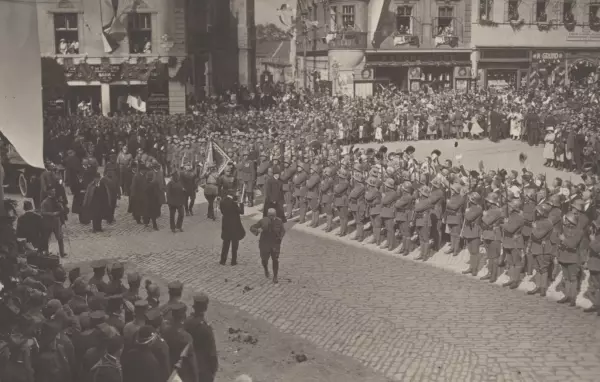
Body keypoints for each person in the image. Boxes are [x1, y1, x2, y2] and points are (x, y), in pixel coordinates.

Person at [185, 292, 218, 382]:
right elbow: (212, 352)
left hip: (189, 364)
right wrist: (214, 368)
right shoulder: (206, 328)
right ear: (205, 308)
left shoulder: (187, 321)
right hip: (203, 368)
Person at [250, 208, 286, 283]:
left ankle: (275, 276)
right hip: (264, 244)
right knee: (264, 260)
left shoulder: (279, 221)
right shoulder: (263, 221)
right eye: (270, 215)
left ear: (275, 214)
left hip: (275, 244)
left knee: (275, 260)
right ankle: (266, 269)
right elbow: (252, 227)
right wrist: (257, 231)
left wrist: (280, 238)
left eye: (273, 215)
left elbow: (283, 231)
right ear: (267, 215)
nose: (271, 217)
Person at [219, 190, 245, 266]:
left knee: (225, 244)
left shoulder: (222, 201)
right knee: (234, 245)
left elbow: (222, 212)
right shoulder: (233, 203)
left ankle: (222, 260)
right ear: (232, 194)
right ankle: (233, 261)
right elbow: (241, 212)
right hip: (234, 226)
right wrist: (241, 204)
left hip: (226, 224)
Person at [40, 186, 67, 257]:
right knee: (46, 238)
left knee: (60, 238)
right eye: (53, 191)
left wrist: (60, 203)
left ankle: (62, 253)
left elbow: (62, 210)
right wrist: (52, 214)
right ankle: (46, 252)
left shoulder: (56, 200)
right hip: (48, 222)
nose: (54, 192)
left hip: (57, 222)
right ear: (49, 192)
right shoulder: (45, 202)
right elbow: (42, 212)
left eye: (54, 191)